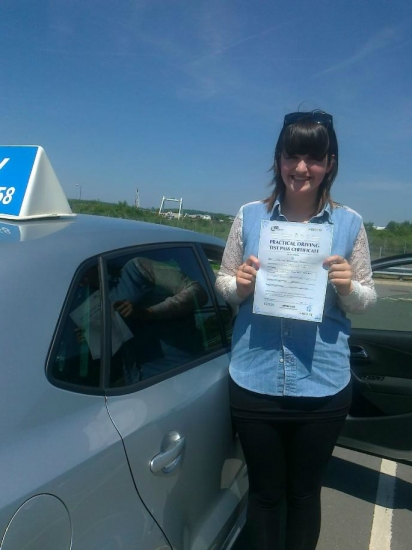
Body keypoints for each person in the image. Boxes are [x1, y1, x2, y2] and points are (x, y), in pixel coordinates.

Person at [215, 110, 377, 550]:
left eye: (314, 157)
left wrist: (347, 287)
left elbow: (367, 298)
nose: (301, 168)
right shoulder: (250, 217)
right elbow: (224, 282)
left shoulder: (349, 224)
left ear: (330, 162)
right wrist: (239, 285)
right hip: (254, 378)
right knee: (265, 496)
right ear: (279, 159)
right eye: (292, 155)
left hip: (321, 383)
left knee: (305, 494)